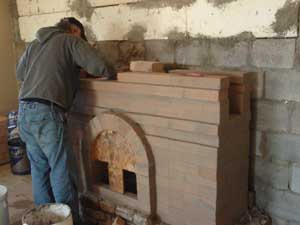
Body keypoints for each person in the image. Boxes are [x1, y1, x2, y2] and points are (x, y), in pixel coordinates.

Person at [16, 17, 116, 224]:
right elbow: (100, 67)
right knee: (60, 169)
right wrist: (111, 70)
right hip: (47, 113)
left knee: (39, 169)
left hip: (24, 111)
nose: (81, 41)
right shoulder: (70, 40)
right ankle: (70, 221)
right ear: (74, 30)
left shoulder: (35, 43)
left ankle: (46, 220)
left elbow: (20, 73)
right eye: (81, 36)